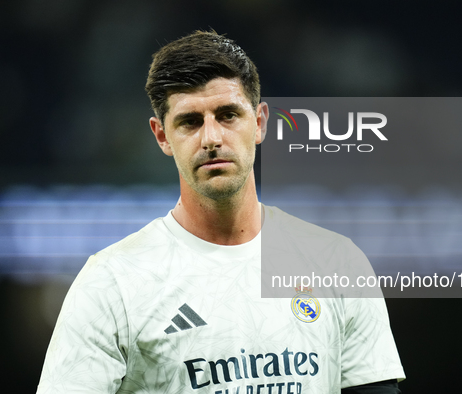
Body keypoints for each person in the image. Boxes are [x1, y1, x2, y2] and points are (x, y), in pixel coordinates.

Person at [37, 30, 405, 393]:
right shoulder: (111, 283)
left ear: (259, 123)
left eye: (228, 115)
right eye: (190, 121)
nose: (211, 138)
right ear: (162, 135)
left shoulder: (336, 263)